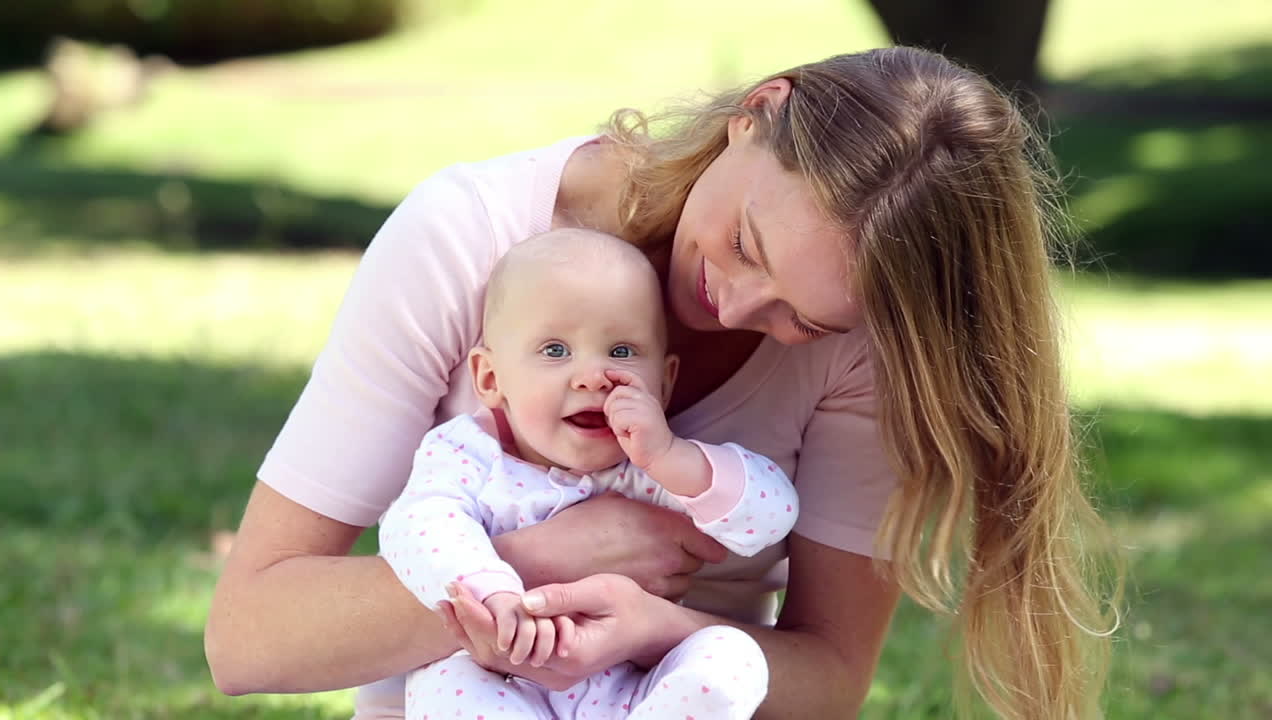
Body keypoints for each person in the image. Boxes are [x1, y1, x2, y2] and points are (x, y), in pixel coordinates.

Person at [205, 46, 1118, 720]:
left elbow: (831, 677)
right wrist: (543, 565)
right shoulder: (472, 238)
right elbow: (248, 638)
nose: (735, 305)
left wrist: (653, 627)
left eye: (805, 318)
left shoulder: (867, 344)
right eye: (746, 246)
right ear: (756, 111)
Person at [382, 228, 796, 719]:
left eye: (621, 352)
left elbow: (773, 516)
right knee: (447, 682)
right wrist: (493, 590)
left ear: (663, 382)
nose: (591, 375)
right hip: (501, 681)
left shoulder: (649, 467)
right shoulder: (469, 454)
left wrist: (671, 457)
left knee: (737, 656)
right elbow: (417, 525)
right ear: (491, 379)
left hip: (631, 691)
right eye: (555, 350)